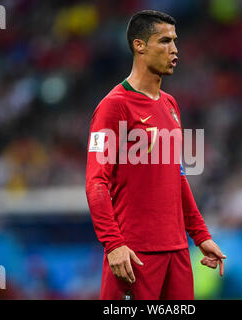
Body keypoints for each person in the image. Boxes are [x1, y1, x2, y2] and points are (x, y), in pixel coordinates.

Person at [85, 10, 225, 300]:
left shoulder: (170, 104)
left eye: (175, 41)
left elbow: (178, 176)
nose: (175, 49)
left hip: (177, 254)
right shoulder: (114, 107)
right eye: (164, 41)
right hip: (134, 255)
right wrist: (113, 244)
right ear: (140, 46)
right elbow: (96, 183)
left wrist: (201, 236)